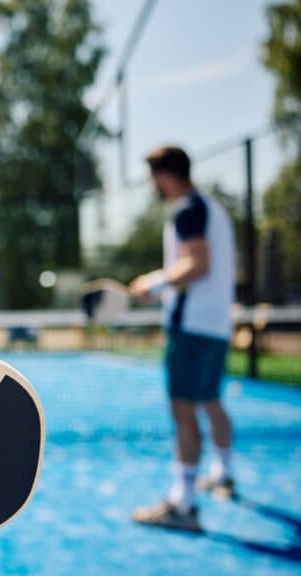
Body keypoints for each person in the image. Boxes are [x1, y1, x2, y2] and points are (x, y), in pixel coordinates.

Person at [128, 146, 236, 533]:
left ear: (166, 175)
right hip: (217, 324)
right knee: (210, 401)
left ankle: (183, 504)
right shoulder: (215, 209)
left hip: (191, 326)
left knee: (183, 409)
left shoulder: (188, 210)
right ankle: (223, 473)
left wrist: (152, 284)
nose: (152, 185)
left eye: (153, 177)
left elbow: (197, 264)